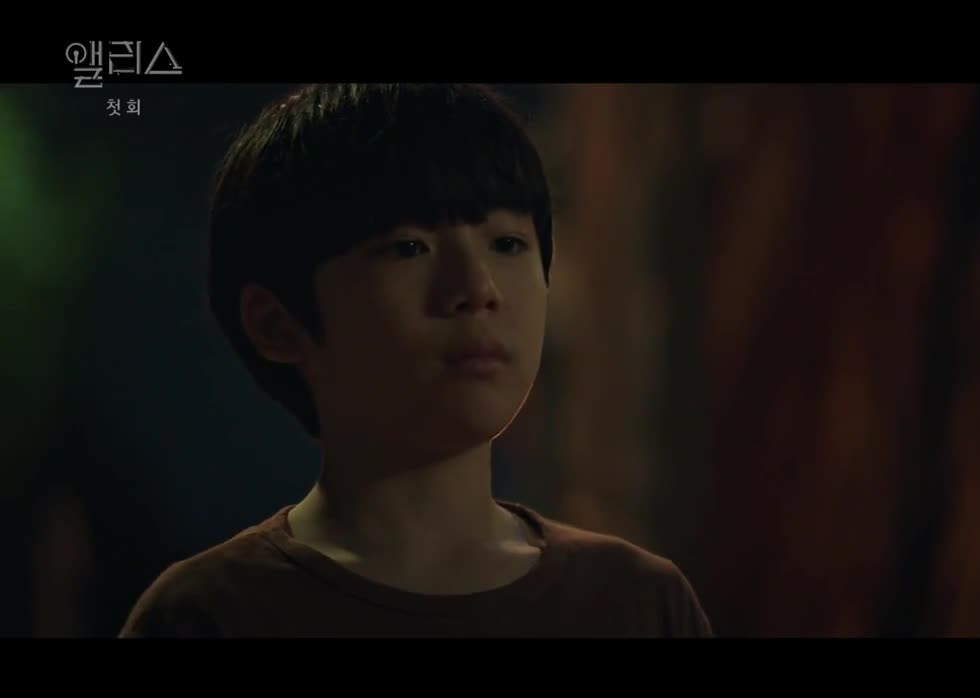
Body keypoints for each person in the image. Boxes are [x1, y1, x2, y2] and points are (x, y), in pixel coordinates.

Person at [118, 83, 712, 638]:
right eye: (409, 247)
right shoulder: (211, 613)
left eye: (507, 243)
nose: (477, 288)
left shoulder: (635, 601)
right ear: (277, 324)